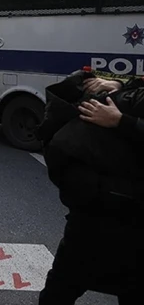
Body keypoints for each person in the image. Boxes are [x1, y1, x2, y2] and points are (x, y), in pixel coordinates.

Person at [37, 75, 143, 304]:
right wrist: (121, 85)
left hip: (127, 215)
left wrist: (120, 120)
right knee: (60, 288)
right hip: (95, 212)